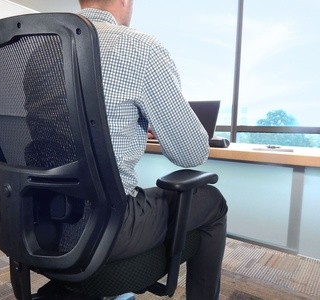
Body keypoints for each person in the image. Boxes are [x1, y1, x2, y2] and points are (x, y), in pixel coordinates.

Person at [77, 1, 228, 299]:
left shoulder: (39, 49)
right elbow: (192, 154)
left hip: (34, 213)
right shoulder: (139, 47)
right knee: (211, 200)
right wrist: (158, 120)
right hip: (107, 226)